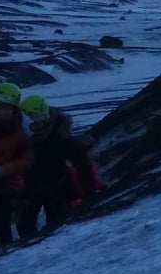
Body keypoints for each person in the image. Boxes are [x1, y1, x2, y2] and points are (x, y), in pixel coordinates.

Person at [18, 94, 100, 236]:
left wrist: (90, 193)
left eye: (38, 119)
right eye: (32, 120)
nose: (35, 125)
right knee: (25, 225)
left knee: (56, 223)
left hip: (57, 185)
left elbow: (83, 165)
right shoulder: (21, 138)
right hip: (29, 188)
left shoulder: (60, 139)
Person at [0, 83, 32, 249]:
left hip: (7, 183)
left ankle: (3, 253)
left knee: (2, 223)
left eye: (7, 108)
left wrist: (2, 170)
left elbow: (26, 159)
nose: (2, 112)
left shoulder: (20, 133)